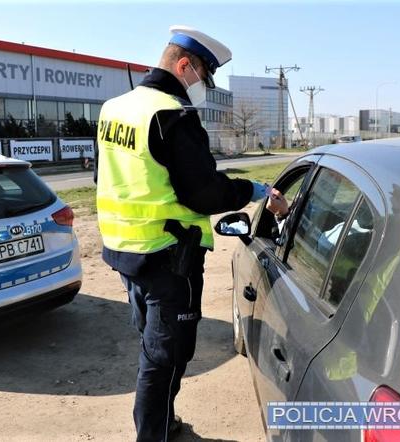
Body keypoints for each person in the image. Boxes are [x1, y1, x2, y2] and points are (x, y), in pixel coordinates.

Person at [96, 25, 286, 441]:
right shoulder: (172, 115)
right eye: (204, 77)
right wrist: (253, 190)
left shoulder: (115, 107)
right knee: (164, 359)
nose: (205, 88)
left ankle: (162, 424)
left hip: (125, 253)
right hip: (168, 257)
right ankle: (154, 435)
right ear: (184, 66)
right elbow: (204, 193)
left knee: (155, 350)